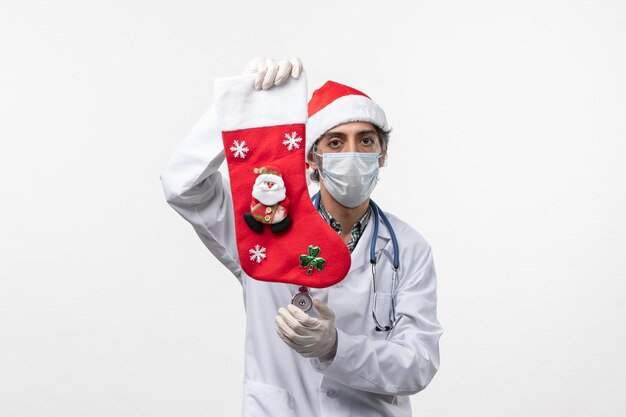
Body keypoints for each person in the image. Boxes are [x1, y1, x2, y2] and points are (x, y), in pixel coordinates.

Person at [160, 57, 443, 417]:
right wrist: (237, 106)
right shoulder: (261, 229)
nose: (352, 154)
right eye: (336, 143)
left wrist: (336, 346)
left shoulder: (410, 249)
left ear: (382, 155)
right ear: (311, 158)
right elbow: (181, 185)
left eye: (366, 141)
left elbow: (418, 363)